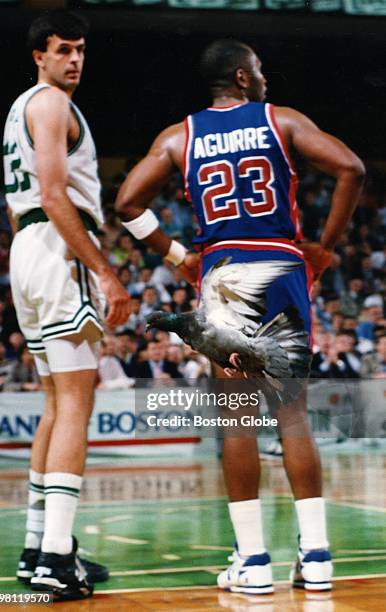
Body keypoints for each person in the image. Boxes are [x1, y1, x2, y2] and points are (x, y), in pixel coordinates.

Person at [116, 39, 364, 594]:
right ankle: (318, 557)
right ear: (243, 78)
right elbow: (351, 168)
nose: (266, 77)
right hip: (282, 266)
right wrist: (324, 245)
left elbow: (128, 202)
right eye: (259, 69)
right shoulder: (283, 121)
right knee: (292, 413)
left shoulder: (179, 136)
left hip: (224, 271)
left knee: (237, 418)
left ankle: (252, 562)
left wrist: (179, 257)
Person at [3, 10, 130, 601]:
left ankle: (36, 548)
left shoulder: (18, 110)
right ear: (40, 56)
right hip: (58, 247)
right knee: (79, 398)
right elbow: (55, 194)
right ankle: (57, 558)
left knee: (56, 400)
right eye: (63, 50)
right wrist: (104, 270)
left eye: (81, 50)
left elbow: (23, 202)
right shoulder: (51, 103)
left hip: (27, 249)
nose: (74, 59)